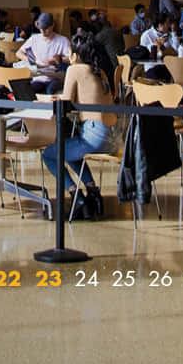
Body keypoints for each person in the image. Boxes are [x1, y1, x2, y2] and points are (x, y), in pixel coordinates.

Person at [41, 34, 116, 220]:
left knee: (50, 154)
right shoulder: (100, 70)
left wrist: (49, 99)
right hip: (111, 138)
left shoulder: (75, 70)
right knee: (68, 148)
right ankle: (93, 193)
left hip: (94, 136)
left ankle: (77, 197)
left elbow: (66, 101)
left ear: (75, 55)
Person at [20, 14, 72, 84]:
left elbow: (71, 58)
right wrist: (30, 60)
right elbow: (19, 53)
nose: (43, 32)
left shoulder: (63, 40)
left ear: (53, 25)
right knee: (32, 88)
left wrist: (59, 60)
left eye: (46, 28)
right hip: (38, 75)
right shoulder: (34, 39)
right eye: (41, 29)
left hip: (55, 75)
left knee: (51, 89)